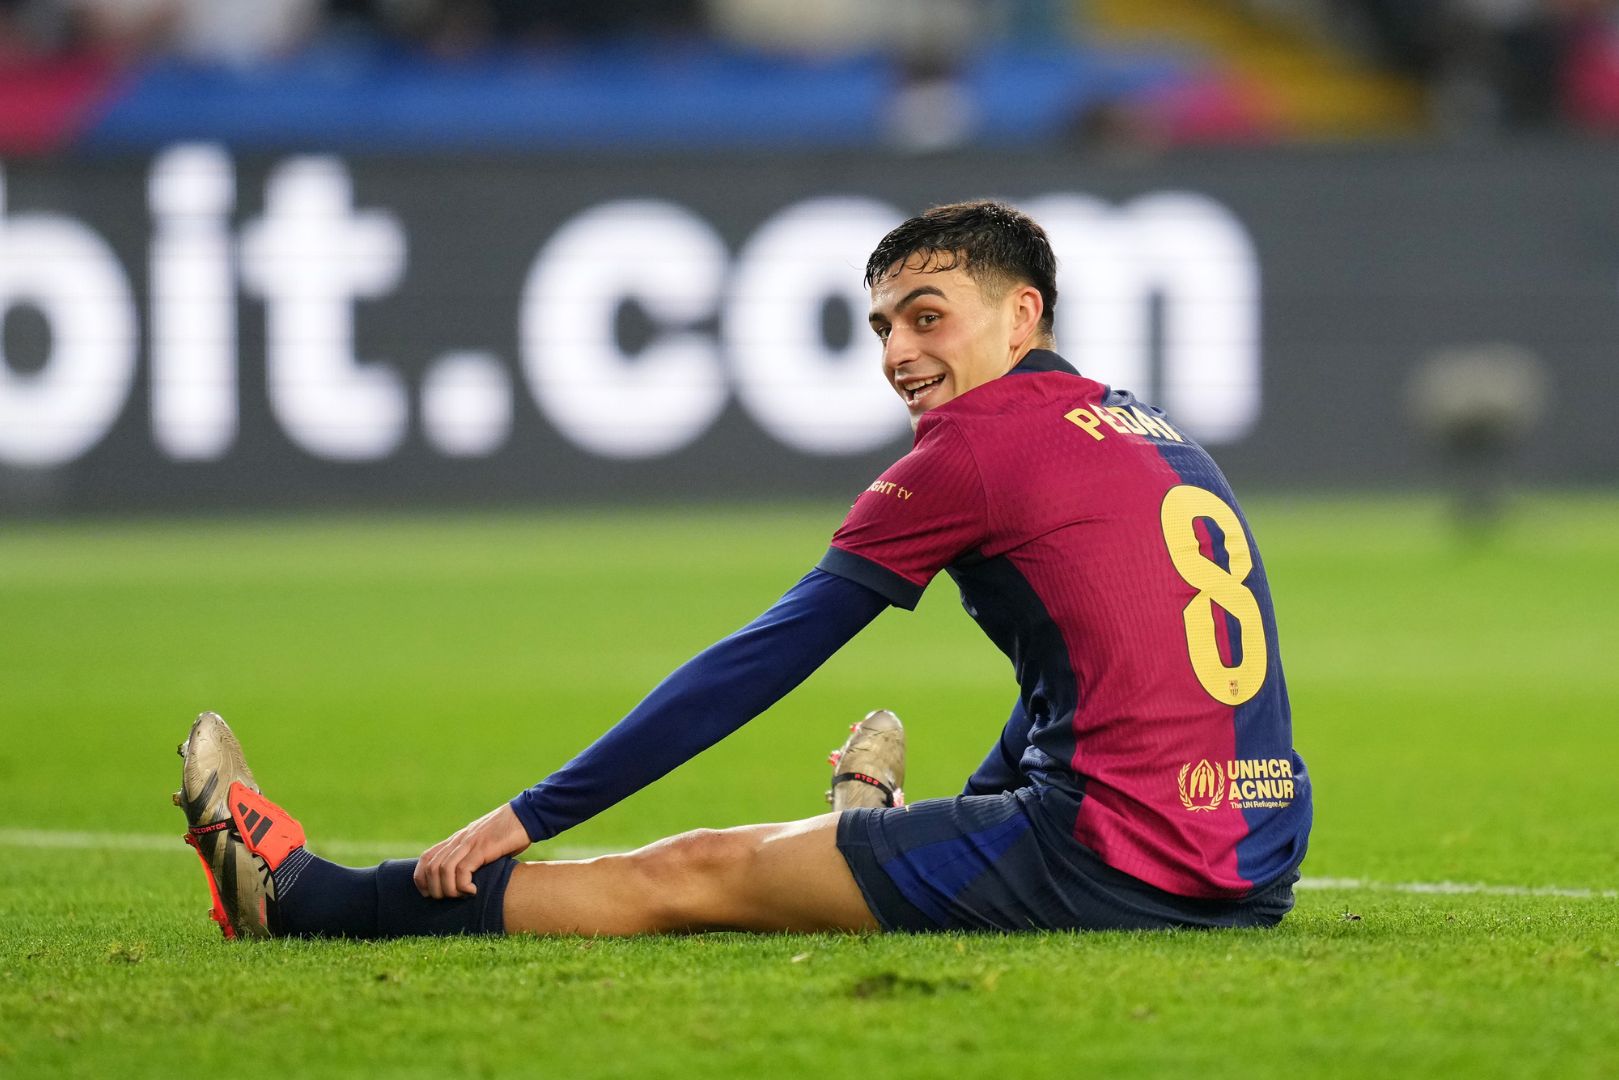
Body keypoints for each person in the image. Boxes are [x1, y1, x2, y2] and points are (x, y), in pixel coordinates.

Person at [175, 200, 1311, 940]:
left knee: (687, 873)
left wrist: (529, 813)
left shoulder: (972, 448)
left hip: (1115, 861)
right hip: (1252, 859)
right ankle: (891, 832)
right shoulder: (1148, 428)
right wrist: (968, 814)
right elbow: (1090, 671)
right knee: (897, 835)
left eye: (927, 318)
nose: (897, 354)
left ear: (1022, 316)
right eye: (881, 327)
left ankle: (308, 902)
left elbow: (761, 660)